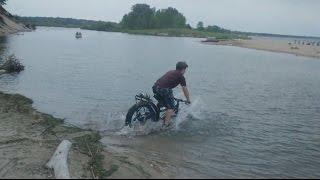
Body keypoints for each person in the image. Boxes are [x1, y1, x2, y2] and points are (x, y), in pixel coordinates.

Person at [152, 61, 191, 127]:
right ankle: (165, 125)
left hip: (155, 87)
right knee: (171, 107)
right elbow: (184, 89)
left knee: (163, 102)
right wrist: (188, 99)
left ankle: (156, 116)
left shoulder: (171, 71)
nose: (185, 71)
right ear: (183, 69)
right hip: (164, 89)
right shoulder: (181, 76)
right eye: (185, 70)